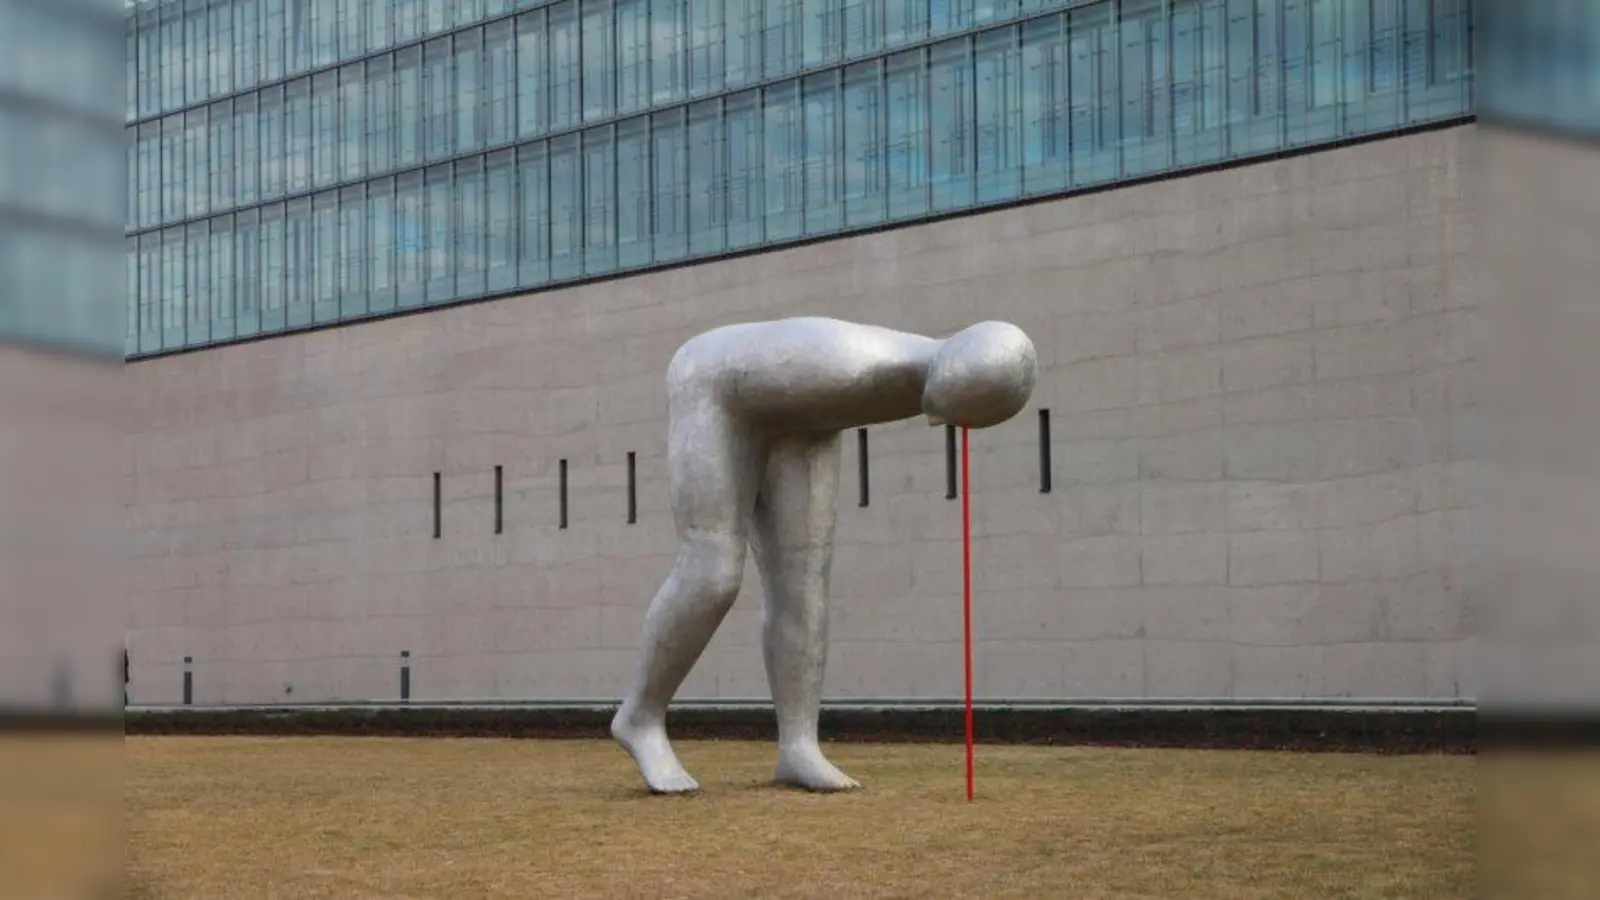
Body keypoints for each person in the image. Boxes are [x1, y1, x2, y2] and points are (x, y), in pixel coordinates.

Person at [612, 317, 1037, 793]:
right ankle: (640, 716)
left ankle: (799, 745)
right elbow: (757, 382)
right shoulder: (853, 367)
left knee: (804, 587)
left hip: (803, 422)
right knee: (713, 571)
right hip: (716, 389)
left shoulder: (913, 371)